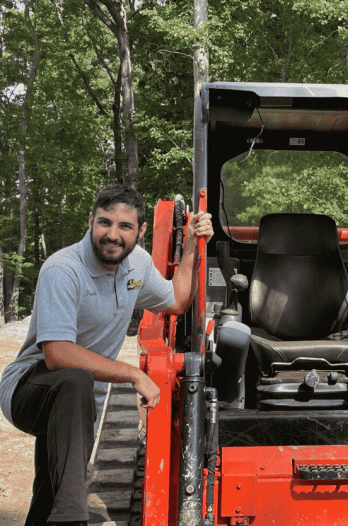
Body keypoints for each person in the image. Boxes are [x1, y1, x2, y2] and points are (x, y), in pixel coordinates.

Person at [0, 184, 213, 526]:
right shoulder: (63, 269)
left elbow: (177, 300)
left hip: (79, 403)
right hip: (29, 389)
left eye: (125, 226)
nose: (112, 235)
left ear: (140, 231)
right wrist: (134, 374)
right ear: (91, 221)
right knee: (74, 382)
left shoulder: (138, 267)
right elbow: (57, 355)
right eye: (104, 223)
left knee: (50, 492)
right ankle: (73, 520)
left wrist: (190, 244)